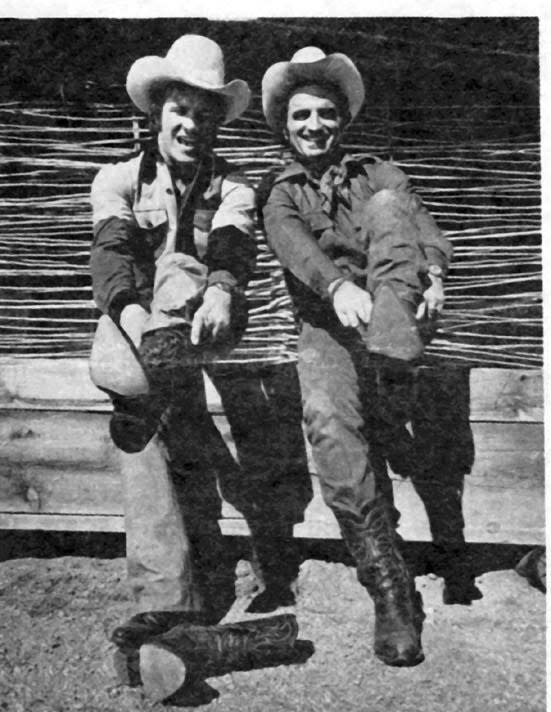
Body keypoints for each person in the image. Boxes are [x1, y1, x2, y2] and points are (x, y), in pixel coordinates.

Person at [89, 35, 309, 644]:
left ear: (217, 122)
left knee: (183, 271)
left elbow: (236, 246)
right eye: (180, 110)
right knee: (144, 406)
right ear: (157, 113)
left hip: (212, 321)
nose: (191, 125)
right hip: (140, 323)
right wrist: (140, 331)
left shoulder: (233, 186)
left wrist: (221, 289)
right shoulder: (116, 180)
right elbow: (111, 261)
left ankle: (181, 590)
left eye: (204, 114)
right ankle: (168, 597)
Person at [259, 46, 455, 668]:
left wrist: (436, 275)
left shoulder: (380, 172)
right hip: (326, 326)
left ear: (342, 120)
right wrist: (335, 286)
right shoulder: (279, 191)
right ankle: (390, 588)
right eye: (300, 117)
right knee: (326, 418)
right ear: (284, 127)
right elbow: (293, 248)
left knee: (389, 209)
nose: (313, 126)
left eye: (324, 114)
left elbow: (421, 226)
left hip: (390, 312)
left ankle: (394, 358)